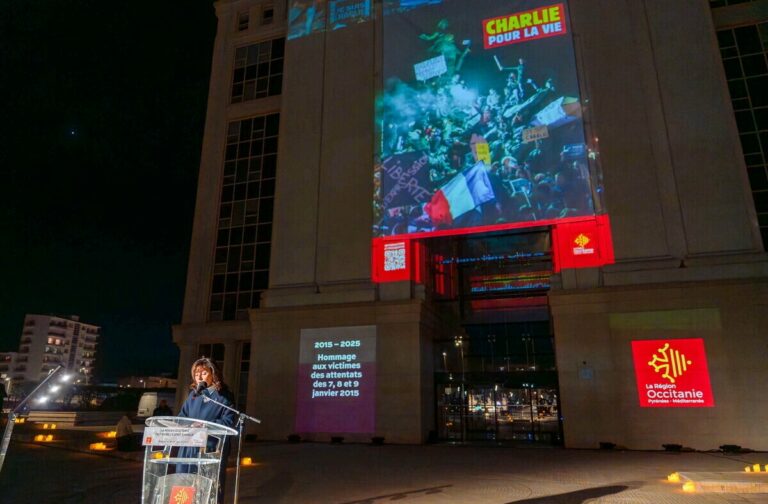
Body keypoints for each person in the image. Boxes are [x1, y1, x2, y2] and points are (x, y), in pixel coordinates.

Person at [177, 358, 236, 504]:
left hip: (210, 448)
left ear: (213, 374)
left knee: (207, 488)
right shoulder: (193, 395)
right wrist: (183, 425)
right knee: (185, 484)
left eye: (203, 373)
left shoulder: (224, 396)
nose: (199, 377)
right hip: (188, 447)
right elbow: (182, 417)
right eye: (196, 374)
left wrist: (205, 426)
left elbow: (228, 422)